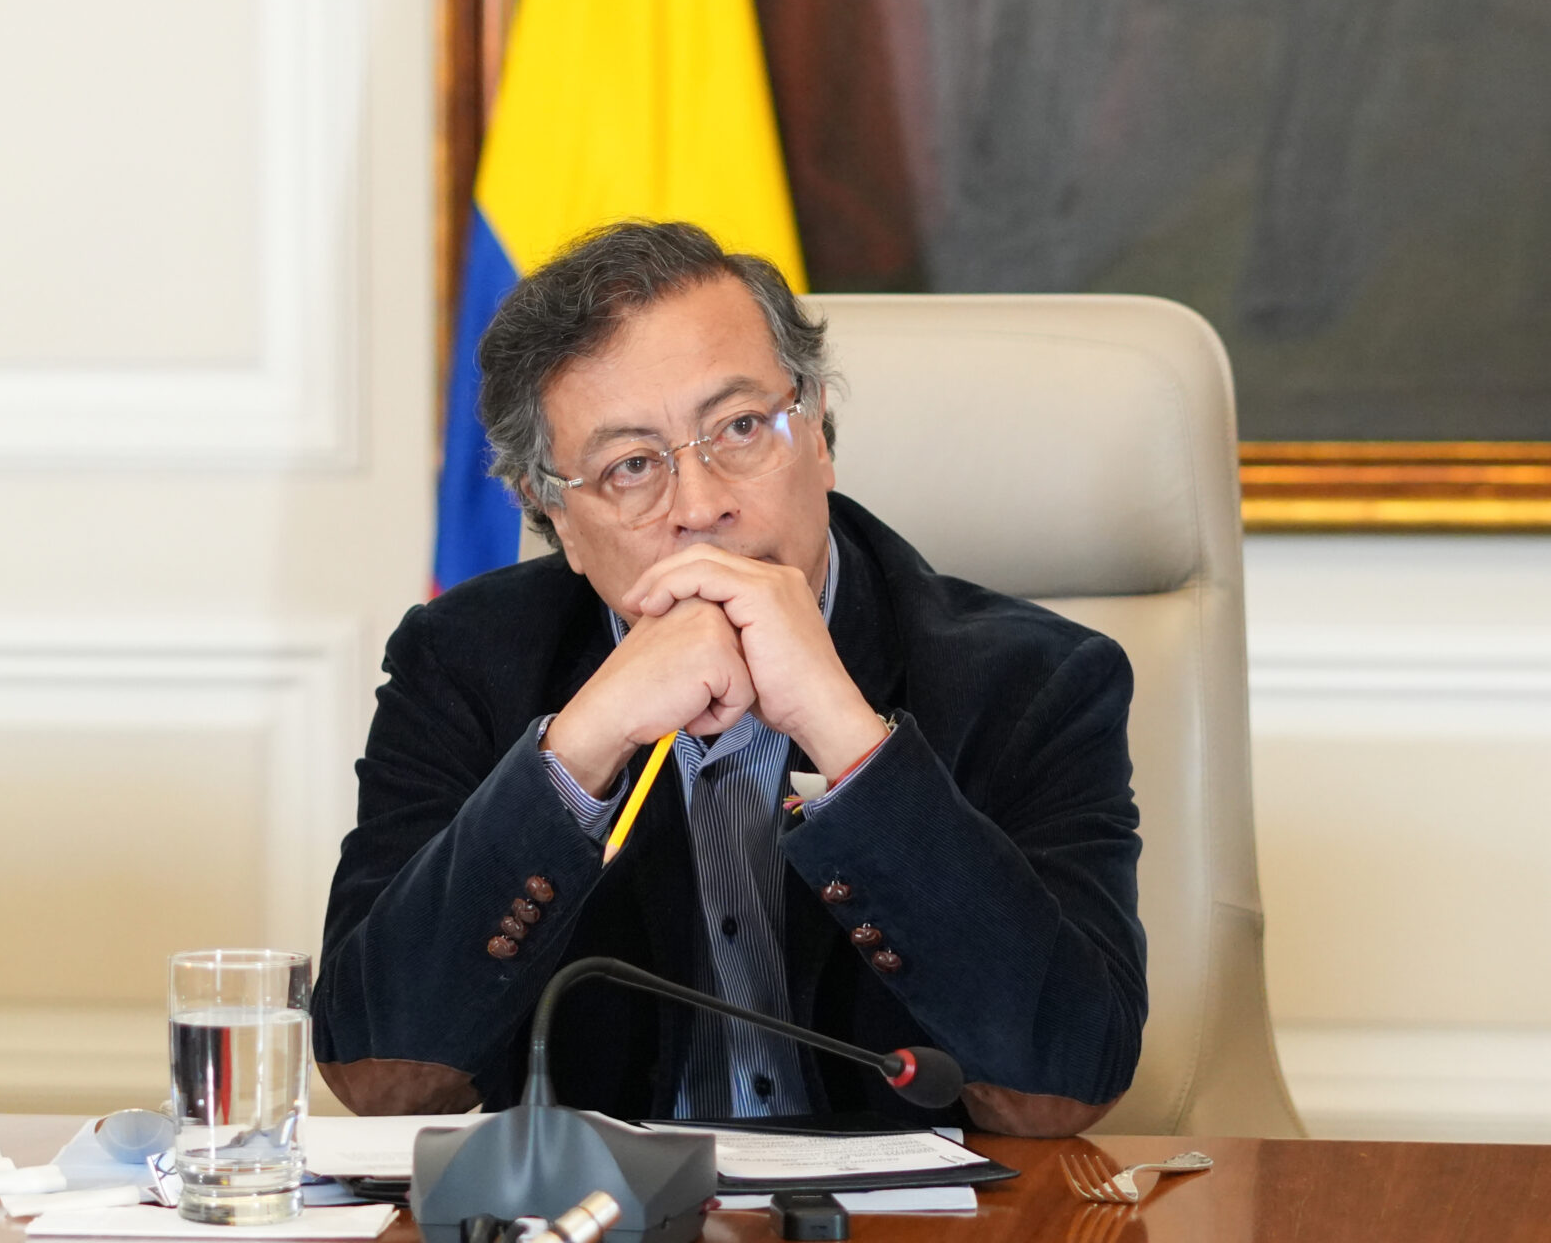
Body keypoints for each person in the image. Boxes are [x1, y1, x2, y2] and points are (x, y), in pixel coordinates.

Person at [313, 221, 1146, 1136]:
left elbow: (1062, 1084)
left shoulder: (1035, 683)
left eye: (741, 428)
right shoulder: (461, 664)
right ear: (555, 516)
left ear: (817, 432)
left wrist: (845, 733)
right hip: (600, 1207)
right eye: (631, 466)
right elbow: (380, 1076)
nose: (702, 505)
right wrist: (579, 749)